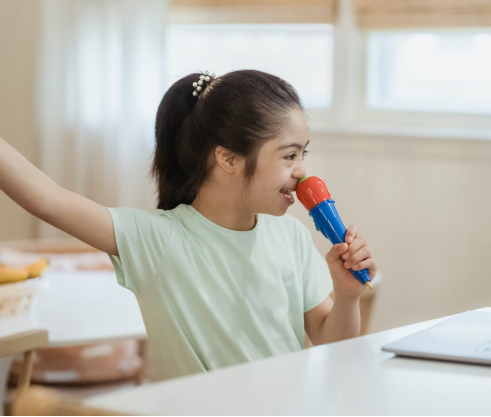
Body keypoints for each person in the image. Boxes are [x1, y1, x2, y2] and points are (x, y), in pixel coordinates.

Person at [0, 69, 377, 380]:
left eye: (303, 153)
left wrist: (346, 296)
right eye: (289, 155)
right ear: (229, 159)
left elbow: (332, 345)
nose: (301, 171)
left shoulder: (291, 236)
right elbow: (49, 200)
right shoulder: (157, 240)